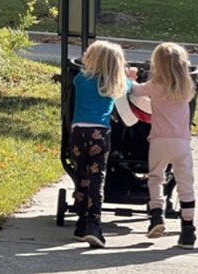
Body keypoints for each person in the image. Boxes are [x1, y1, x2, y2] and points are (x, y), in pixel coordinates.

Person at [132, 42, 197, 249]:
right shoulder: (187, 87)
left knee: (156, 178)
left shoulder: (155, 85)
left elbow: (136, 91)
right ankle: (188, 229)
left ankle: (156, 216)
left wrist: (130, 77)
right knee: (185, 183)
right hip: (182, 143)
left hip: (159, 140)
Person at [71, 40, 133, 248]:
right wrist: (130, 76)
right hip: (100, 132)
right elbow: (130, 87)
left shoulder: (80, 79)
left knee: (82, 175)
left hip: (78, 131)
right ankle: (94, 223)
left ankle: (81, 221)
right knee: (97, 177)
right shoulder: (115, 84)